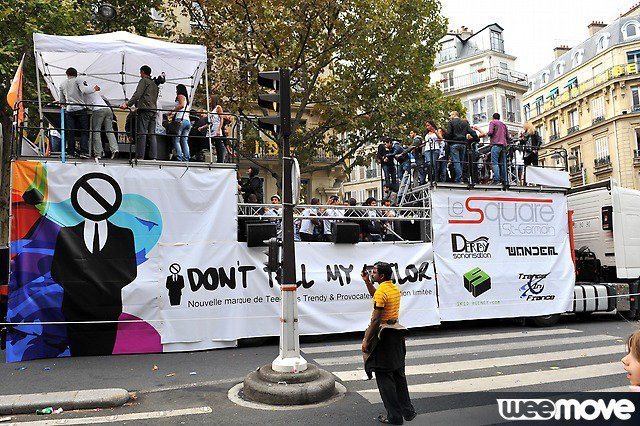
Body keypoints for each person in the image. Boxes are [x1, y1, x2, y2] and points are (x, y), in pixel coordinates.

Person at [361, 262, 416, 425]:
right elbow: (377, 296)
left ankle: (394, 417)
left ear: (382, 276)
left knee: (385, 379)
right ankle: (407, 410)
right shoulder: (392, 288)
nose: (372, 274)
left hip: (383, 338)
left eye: (375, 272)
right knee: (399, 376)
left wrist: (366, 340)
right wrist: (367, 282)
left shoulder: (382, 292)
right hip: (396, 336)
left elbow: (376, 320)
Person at [120, 65, 160, 160]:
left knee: (142, 133)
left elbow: (137, 94)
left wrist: (127, 104)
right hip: (154, 110)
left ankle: (140, 156)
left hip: (145, 109)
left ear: (142, 72)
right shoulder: (154, 84)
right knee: (152, 134)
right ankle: (153, 157)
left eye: (140, 72)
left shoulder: (144, 81)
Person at [82, 80, 119, 159]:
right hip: (108, 109)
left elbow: (86, 105)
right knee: (109, 131)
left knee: (96, 131)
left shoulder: (83, 91)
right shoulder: (92, 89)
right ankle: (115, 149)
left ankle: (99, 153)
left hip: (98, 110)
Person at [59, 67, 90, 158]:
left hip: (69, 109)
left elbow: (62, 101)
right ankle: (83, 152)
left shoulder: (62, 84)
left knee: (70, 132)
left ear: (67, 75)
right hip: (80, 108)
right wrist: (94, 89)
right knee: (84, 131)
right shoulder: (78, 80)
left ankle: (70, 153)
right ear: (76, 75)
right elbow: (84, 90)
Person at [475, 113, 510, 185]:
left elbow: (490, 132)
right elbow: (507, 136)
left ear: (493, 117)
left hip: (496, 144)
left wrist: (487, 134)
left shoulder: (492, 122)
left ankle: (497, 180)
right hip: (503, 145)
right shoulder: (503, 124)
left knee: (495, 163)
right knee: (503, 163)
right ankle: (505, 180)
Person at [446, 111, 474, 183]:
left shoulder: (450, 123)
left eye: (450, 115)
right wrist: (476, 139)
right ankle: (461, 178)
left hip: (454, 144)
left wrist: (448, 141)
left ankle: (459, 178)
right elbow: (471, 131)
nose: (449, 117)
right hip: (463, 143)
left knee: (456, 162)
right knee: (461, 162)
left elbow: (449, 133)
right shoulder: (464, 123)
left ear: (454, 115)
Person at [169, 84, 192, 162]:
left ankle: (179, 157)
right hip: (187, 120)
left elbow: (181, 105)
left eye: (176, 89)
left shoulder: (180, 96)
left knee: (176, 140)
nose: (176, 91)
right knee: (185, 141)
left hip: (180, 120)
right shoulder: (187, 99)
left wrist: (171, 111)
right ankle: (186, 158)